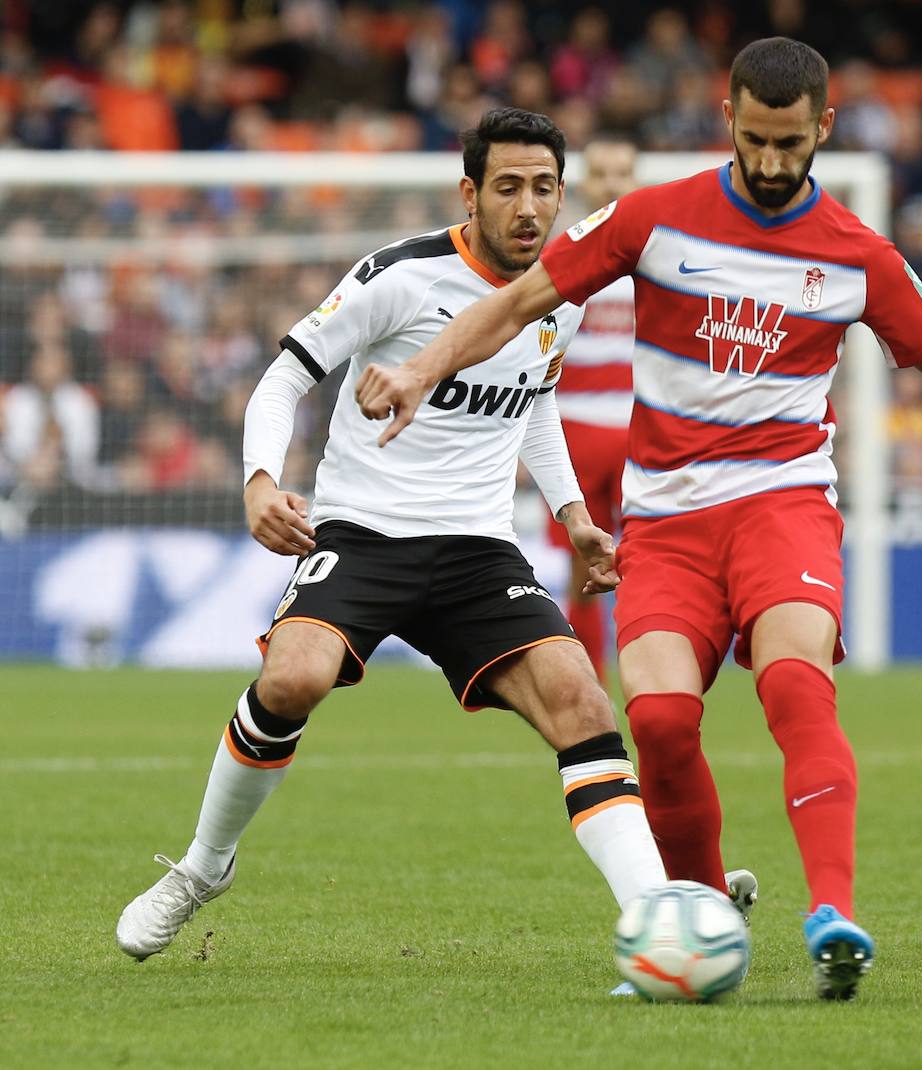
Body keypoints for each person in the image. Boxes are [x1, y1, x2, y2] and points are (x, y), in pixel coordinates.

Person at [355, 40, 922, 1001]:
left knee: (797, 690)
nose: (772, 163)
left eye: (791, 144)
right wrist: (422, 373)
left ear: (824, 130)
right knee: (662, 721)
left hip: (782, 508)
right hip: (667, 523)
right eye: (756, 140)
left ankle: (832, 913)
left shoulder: (858, 257)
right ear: (729, 119)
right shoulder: (652, 220)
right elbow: (519, 302)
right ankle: (703, 914)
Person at [115, 108, 666, 965]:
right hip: (364, 534)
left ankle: (658, 921)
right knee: (293, 677)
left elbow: (536, 400)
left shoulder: (562, 290)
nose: (529, 207)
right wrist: (260, 480)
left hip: (479, 549)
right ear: (470, 193)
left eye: (545, 189)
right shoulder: (400, 277)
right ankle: (200, 869)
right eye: (510, 187)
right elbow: (281, 379)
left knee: (585, 705)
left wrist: (573, 518)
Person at [546, 136, 638, 680]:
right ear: (582, 185)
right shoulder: (559, 255)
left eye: (621, 172)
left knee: (651, 563)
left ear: (635, 180)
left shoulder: (658, 254)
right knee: (583, 571)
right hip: (574, 433)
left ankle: (653, 680)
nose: (610, 183)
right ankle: (591, 689)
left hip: (642, 435)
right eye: (600, 173)